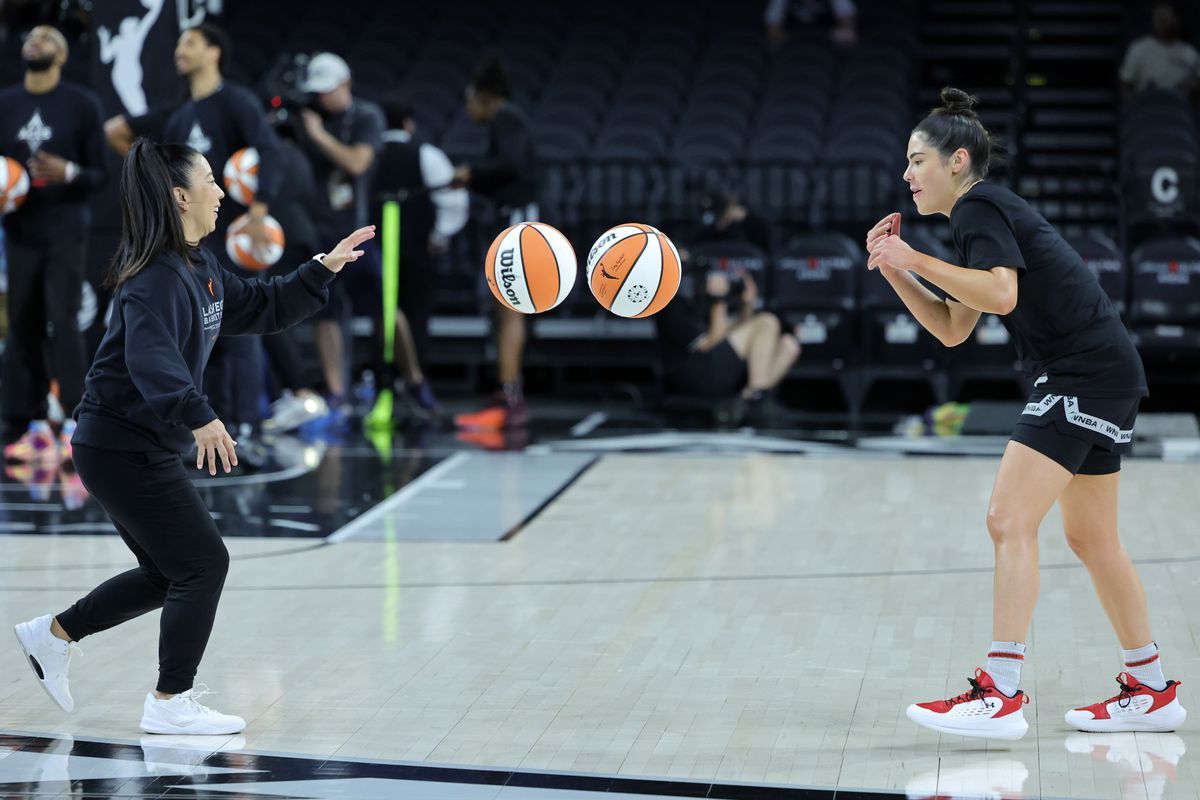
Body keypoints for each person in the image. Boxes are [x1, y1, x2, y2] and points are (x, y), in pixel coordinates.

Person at [12, 138, 373, 734]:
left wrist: (320, 269)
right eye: (210, 180)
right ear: (181, 196)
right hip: (119, 445)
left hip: (130, 444)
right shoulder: (153, 279)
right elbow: (155, 362)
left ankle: (52, 635)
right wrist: (200, 414)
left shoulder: (199, 265)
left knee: (168, 572)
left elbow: (259, 306)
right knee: (204, 563)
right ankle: (169, 702)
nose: (222, 191)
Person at [867, 87, 1185, 740]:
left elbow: (1003, 296)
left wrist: (914, 256)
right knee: (1091, 540)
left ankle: (1000, 693)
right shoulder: (979, 219)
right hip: (1102, 370)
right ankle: (1151, 688)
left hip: (1082, 373)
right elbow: (956, 327)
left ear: (958, 161)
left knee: (1007, 518)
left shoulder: (979, 205)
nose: (906, 175)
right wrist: (894, 272)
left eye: (917, 160)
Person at [162, 23, 284, 465]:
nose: (180, 50)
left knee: (242, 336)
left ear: (214, 51)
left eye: (189, 42)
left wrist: (258, 209)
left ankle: (247, 428)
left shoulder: (236, 102)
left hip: (237, 239)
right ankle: (206, 432)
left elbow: (269, 151)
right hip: (192, 246)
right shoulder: (178, 117)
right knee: (195, 338)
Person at [0, 25, 106, 460]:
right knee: (21, 323)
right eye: (31, 37)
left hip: (65, 229)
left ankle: (78, 417)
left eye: (47, 38)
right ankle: (18, 419)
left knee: (63, 322)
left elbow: (101, 174)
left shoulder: (81, 103)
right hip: (20, 231)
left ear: (62, 55)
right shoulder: (5, 103)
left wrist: (70, 172)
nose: (35, 40)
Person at [451, 57, 540, 431]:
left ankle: (508, 397)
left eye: (470, 100)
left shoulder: (507, 118)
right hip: (513, 217)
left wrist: (470, 173)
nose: (467, 109)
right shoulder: (506, 120)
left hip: (518, 220)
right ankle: (506, 393)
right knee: (503, 306)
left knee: (510, 305)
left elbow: (511, 164)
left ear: (485, 97)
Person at [296, 53, 385, 420]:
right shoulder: (307, 116)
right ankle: (335, 392)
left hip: (359, 230)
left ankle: (399, 379)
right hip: (318, 229)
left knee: (384, 307)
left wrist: (317, 134)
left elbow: (357, 163)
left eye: (327, 91)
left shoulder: (365, 116)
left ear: (345, 83)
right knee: (325, 312)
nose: (321, 99)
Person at [371, 97, 468, 420]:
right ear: (409, 124)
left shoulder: (370, 154)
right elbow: (454, 199)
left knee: (383, 317)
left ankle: (385, 385)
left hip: (375, 249)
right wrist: (440, 235)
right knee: (415, 317)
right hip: (417, 249)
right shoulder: (426, 153)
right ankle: (415, 385)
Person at [654, 269, 800, 427]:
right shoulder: (672, 304)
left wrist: (747, 303)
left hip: (716, 368)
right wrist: (719, 299)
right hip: (690, 374)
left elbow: (736, 333)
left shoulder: (702, 300)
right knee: (767, 321)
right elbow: (710, 344)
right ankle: (757, 399)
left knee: (788, 345)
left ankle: (748, 400)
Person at [1120, 3, 1200, 102]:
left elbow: (1196, 83)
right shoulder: (1139, 49)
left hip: (1178, 108)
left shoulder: (1190, 53)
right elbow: (1126, 83)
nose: (1161, 22)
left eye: (1165, 17)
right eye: (1158, 18)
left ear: (1176, 20)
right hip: (1146, 106)